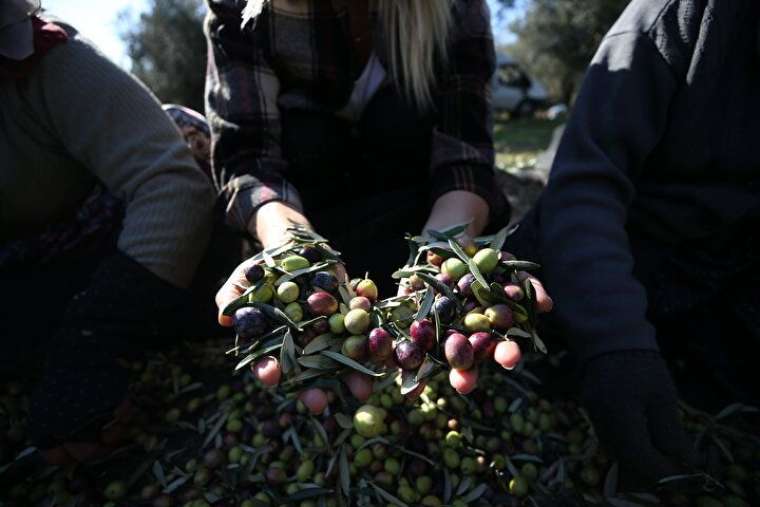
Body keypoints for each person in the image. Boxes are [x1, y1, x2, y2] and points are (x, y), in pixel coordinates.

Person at [509, 0, 760, 492]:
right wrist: (615, 346)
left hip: (716, 314)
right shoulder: (684, 15)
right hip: (595, 288)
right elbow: (586, 186)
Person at [0, 1, 218, 464]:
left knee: (189, 137)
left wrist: (93, 336)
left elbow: (173, 185)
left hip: (107, 259)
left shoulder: (44, 62)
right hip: (24, 286)